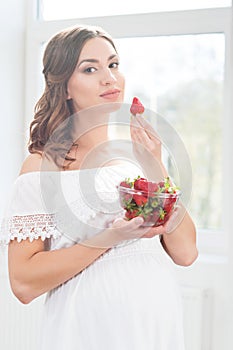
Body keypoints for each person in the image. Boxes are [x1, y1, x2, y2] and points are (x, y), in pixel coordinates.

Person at [1, 24, 198, 350]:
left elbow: (186, 252)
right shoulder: (41, 168)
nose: (109, 77)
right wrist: (111, 237)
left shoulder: (136, 164)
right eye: (90, 68)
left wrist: (156, 166)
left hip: (155, 328)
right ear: (64, 86)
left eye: (113, 64)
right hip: (87, 331)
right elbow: (23, 282)